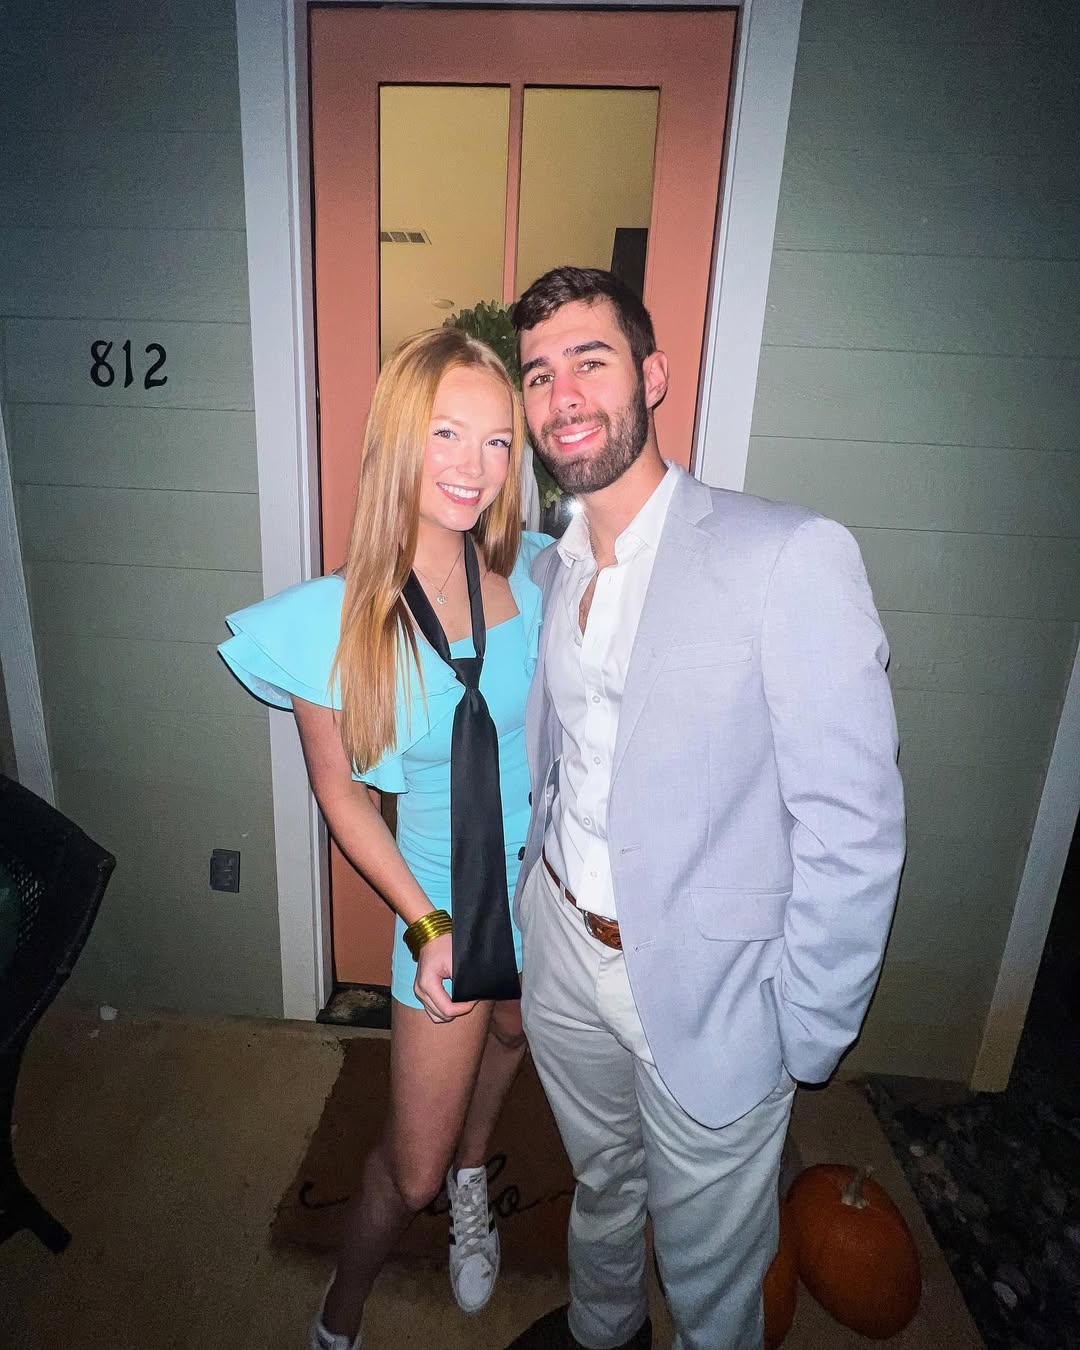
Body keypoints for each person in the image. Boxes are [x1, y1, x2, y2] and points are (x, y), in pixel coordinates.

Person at [503, 268, 906, 1350]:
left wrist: (805, 1027)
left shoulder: (787, 555)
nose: (562, 395)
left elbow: (854, 825)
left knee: (712, 1272)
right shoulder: (551, 569)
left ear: (653, 376)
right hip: (565, 953)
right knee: (601, 1182)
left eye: (590, 361)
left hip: (715, 987)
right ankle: (602, 1331)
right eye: (538, 374)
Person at [219, 327, 547, 1350]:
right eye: (447, 432)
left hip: (544, 885)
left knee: (512, 1036)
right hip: (442, 906)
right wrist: (424, 926)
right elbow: (342, 795)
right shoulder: (335, 621)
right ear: (400, 437)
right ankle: (340, 1315)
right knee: (406, 1170)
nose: (474, 465)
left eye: (497, 441)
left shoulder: (538, 574)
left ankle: (474, 1176)